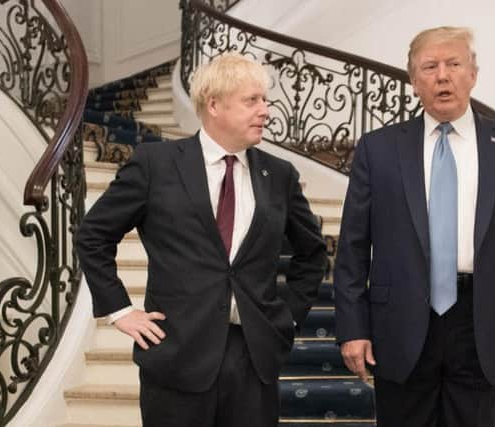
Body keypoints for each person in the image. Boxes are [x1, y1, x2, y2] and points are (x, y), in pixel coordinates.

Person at [76, 52, 327, 427]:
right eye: (252, 100)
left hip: (253, 358)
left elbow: (313, 253)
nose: (266, 111)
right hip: (175, 354)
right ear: (213, 104)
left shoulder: (280, 175)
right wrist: (120, 310)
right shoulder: (154, 164)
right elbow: (93, 234)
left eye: (265, 100)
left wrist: (286, 316)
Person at [334, 26, 495, 427]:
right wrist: (352, 327)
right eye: (430, 66)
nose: (443, 75)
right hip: (398, 320)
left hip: (483, 320)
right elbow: (352, 247)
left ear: (473, 73)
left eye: (454, 64)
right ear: (413, 80)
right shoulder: (378, 148)